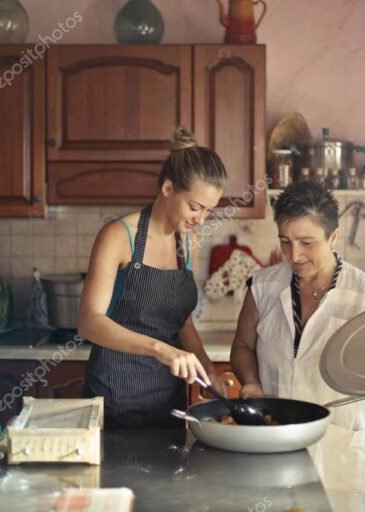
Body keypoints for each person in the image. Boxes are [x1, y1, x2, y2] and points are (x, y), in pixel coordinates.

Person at [230, 181, 365, 511]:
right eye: (285, 242)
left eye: (307, 242)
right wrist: (251, 381)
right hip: (274, 442)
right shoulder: (262, 286)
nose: (294, 255)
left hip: (341, 448)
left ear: (334, 237)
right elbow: (243, 346)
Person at [78, 127, 227, 428]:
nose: (201, 219)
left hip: (169, 401)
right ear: (169, 188)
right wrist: (160, 349)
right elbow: (89, 322)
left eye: (209, 211)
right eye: (195, 207)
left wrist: (208, 370)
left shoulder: (188, 243)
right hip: (115, 396)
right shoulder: (119, 236)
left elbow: (182, 322)